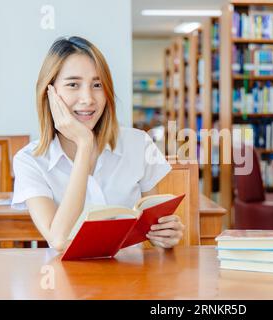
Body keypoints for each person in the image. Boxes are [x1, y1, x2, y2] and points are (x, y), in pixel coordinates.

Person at [11, 36, 184, 251]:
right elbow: (59, 240)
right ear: (50, 92)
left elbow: (156, 224)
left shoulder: (138, 144)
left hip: (131, 280)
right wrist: (84, 144)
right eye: (73, 84)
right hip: (65, 281)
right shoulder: (29, 160)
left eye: (97, 84)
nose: (88, 98)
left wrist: (165, 235)